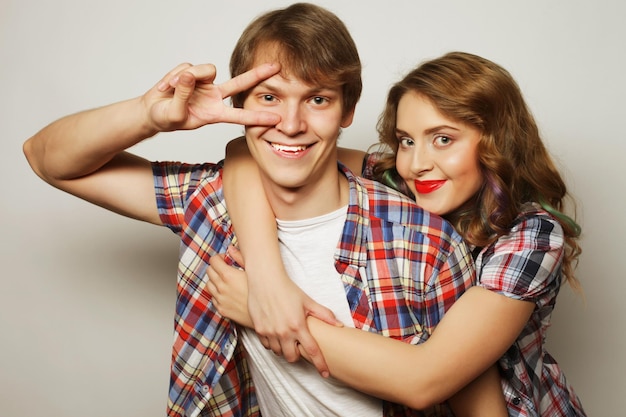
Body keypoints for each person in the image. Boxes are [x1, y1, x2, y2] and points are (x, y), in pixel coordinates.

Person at [22, 4, 498, 416]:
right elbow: (48, 159)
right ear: (239, 105)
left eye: (317, 99)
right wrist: (149, 115)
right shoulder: (208, 203)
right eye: (269, 98)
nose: (290, 125)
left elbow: (465, 399)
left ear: (347, 111)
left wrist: (261, 302)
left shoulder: (424, 239)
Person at [208, 51, 586, 415]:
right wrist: (267, 279)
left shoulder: (531, 235)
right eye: (407, 140)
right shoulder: (403, 184)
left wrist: (266, 313)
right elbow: (251, 149)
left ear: (495, 142)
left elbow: (424, 380)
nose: (417, 164)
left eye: (443, 139)